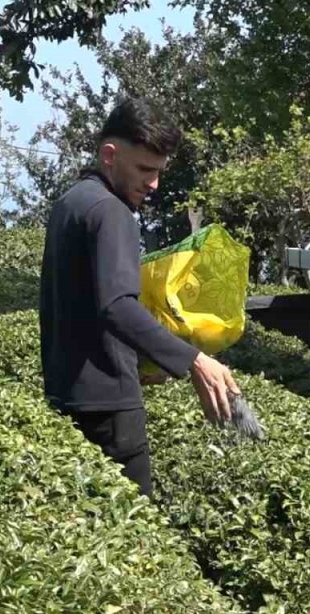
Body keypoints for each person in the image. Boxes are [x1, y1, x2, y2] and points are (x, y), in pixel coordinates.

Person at [38, 96, 242, 496]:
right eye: (146, 169)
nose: (154, 183)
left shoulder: (72, 202)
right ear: (110, 154)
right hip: (110, 412)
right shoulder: (111, 212)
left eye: (159, 171)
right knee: (137, 531)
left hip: (68, 396)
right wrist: (195, 361)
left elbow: (86, 306)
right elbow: (116, 306)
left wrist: (136, 359)